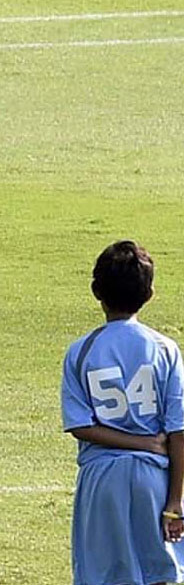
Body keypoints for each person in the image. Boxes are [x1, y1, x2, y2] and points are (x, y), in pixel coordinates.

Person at [61, 240, 184, 585]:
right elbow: (178, 430)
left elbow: (80, 425)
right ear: (150, 293)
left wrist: (135, 443)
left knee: (101, 575)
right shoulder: (165, 349)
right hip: (154, 480)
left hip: (101, 479)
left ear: (96, 291)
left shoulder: (81, 351)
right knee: (158, 571)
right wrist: (175, 501)